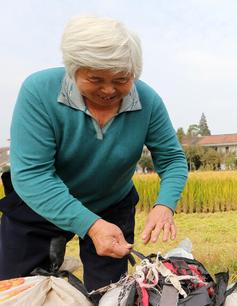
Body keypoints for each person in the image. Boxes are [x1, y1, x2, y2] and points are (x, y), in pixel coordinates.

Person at [0, 15, 188, 290]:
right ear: (72, 70)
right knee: (15, 291)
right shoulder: (39, 92)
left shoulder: (147, 101)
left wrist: (165, 204)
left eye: (122, 79)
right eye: (95, 79)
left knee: (110, 294)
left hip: (110, 202)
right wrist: (89, 225)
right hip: (41, 203)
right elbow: (32, 174)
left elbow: (172, 160)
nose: (109, 90)